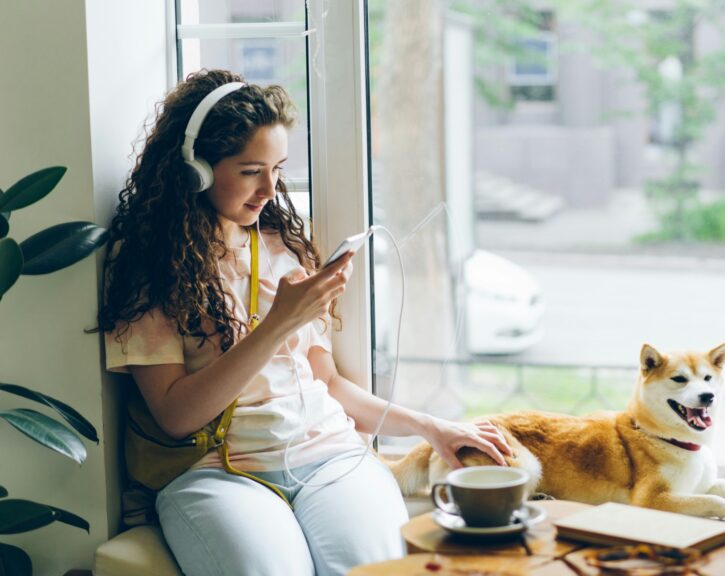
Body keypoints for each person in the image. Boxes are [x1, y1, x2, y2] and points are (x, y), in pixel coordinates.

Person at [96, 69, 511, 575]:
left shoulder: (283, 248)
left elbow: (329, 384)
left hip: (331, 456)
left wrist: (429, 427)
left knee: (369, 569)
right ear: (194, 171)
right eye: (251, 170)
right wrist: (275, 326)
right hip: (216, 472)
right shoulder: (152, 268)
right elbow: (176, 415)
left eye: (277, 168)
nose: (270, 188)